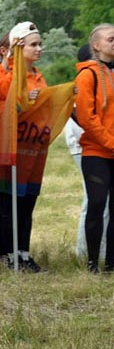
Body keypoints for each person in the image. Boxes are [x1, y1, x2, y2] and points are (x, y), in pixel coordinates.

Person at [0, 22, 47, 271]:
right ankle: (6, 251)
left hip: (33, 150)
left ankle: (24, 251)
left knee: (27, 203)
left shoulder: (38, 75)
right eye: (34, 44)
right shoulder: (2, 75)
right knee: (8, 205)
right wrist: (21, 103)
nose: (39, 49)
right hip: (10, 150)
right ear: (18, 46)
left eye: (40, 44)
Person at [75, 24, 114, 272]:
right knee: (97, 204)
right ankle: (92, 262)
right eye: (112, 39)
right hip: (96, 152)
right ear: (97, 46)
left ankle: (111, 262)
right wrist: (110, 143)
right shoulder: (87, 75)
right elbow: (87, 119)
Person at [70, 44, 109, 260]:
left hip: (103, 142)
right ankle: (88, 254)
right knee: (95, 202)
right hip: (88, 145)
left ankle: (103, 255)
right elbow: (81, 114)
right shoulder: (88, 75)